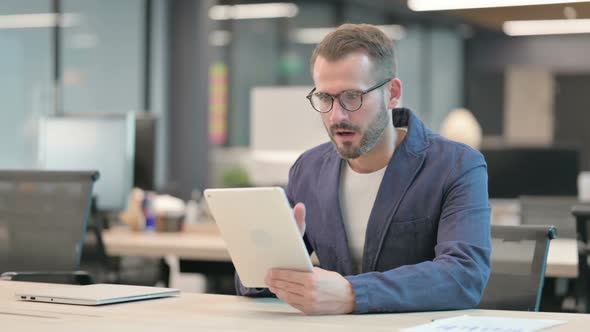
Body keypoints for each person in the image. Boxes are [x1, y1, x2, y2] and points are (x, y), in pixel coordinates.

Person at [236, 23, 491, 315]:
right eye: (325, 98)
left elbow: (464, 276)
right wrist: (268, 260)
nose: (337, 115)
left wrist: (352, 294)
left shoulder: (456, 165)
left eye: (352, 97)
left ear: (392, 94)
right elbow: (253, 282)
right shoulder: (308, 169)